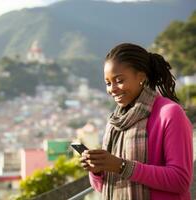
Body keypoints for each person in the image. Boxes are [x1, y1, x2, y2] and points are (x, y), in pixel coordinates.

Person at [80, 43, 193, 200]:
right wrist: (97, 171)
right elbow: (104, 187)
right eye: (108, 83)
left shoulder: (170, 113)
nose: (112, 89)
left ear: (141, 77)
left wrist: (122, 166)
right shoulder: (115, 122)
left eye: (119, 80)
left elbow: (180, 181)